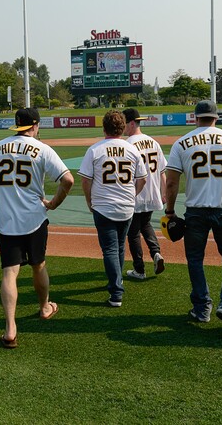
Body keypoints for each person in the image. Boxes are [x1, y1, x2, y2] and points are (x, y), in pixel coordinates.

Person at [0, 108, 74, 348]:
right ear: (35, 125)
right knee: (39, 265)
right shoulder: (42, 149)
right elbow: (67, 179)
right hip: (35, 218)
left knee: (9, 273)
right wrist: (54, 203)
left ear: (16, 125)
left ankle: (10, 329)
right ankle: (44, 307)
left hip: (7, 220)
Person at [165, 100, 222, 334]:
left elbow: (172, 181)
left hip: (195, 211)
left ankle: (202, 307)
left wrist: (170, 211)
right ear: (216, 117)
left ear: (195, 117)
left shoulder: (181, 143)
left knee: (195, 259)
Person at [79, 110, 147, 307]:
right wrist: (132, 195)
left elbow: (85, 179)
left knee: (109, 248)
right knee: (118, 246)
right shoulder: (132, 149)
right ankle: (117, 280)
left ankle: (116, 292)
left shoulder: (95, 149)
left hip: (103, 205)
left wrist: (89, 199)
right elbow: (142, 179)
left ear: (104, 128)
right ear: (123, 127)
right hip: (126, 206)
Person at [122, 108, 167, 280]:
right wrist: (164, 193)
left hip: (135, 193)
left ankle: (139, 269)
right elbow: (162, 171)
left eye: (125, 123)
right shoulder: (153, 142)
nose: (123, 127)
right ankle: (156, 253)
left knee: (133, 232)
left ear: (132, 123)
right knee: (146, 225)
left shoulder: (128, 144)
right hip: (152, 192)